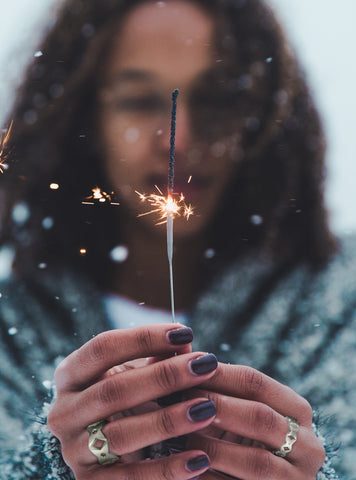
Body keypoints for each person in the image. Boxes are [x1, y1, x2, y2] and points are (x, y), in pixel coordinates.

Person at [0, 0, 355, 478]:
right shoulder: (10, 330)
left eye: (214, 99)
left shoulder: (343, 302)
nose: (178, 140)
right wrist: (52, 466)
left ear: (261, 115)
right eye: (141, 101)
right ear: (87, 120)